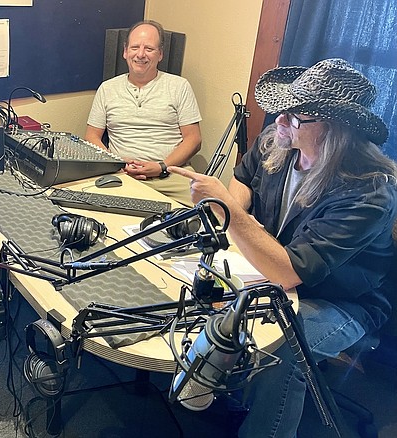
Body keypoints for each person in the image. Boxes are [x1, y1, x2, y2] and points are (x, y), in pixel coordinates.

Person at [170, 58, 397, 437]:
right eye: (283, 110)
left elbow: (291, 271)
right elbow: (244, 183)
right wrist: (226, 207)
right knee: (196, 295)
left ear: (333, 130)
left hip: (339, 301)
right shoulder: (278, 143)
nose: (280, 121)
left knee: (283, 349)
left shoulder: (368, 192)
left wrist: (226, 207)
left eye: (295, 117)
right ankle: (218, 393)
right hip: (270, 273)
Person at [85, 19, 203, 206]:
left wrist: (161, 167)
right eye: (134, 47)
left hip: (170, 175)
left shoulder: (179, 86)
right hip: (120, 174)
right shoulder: (107, 89)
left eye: (149, 49)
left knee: (215, 214)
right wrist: (114, 162)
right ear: (125, 52)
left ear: (160, 54)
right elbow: (92, 136)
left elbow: (194, 139)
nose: (140, 54)